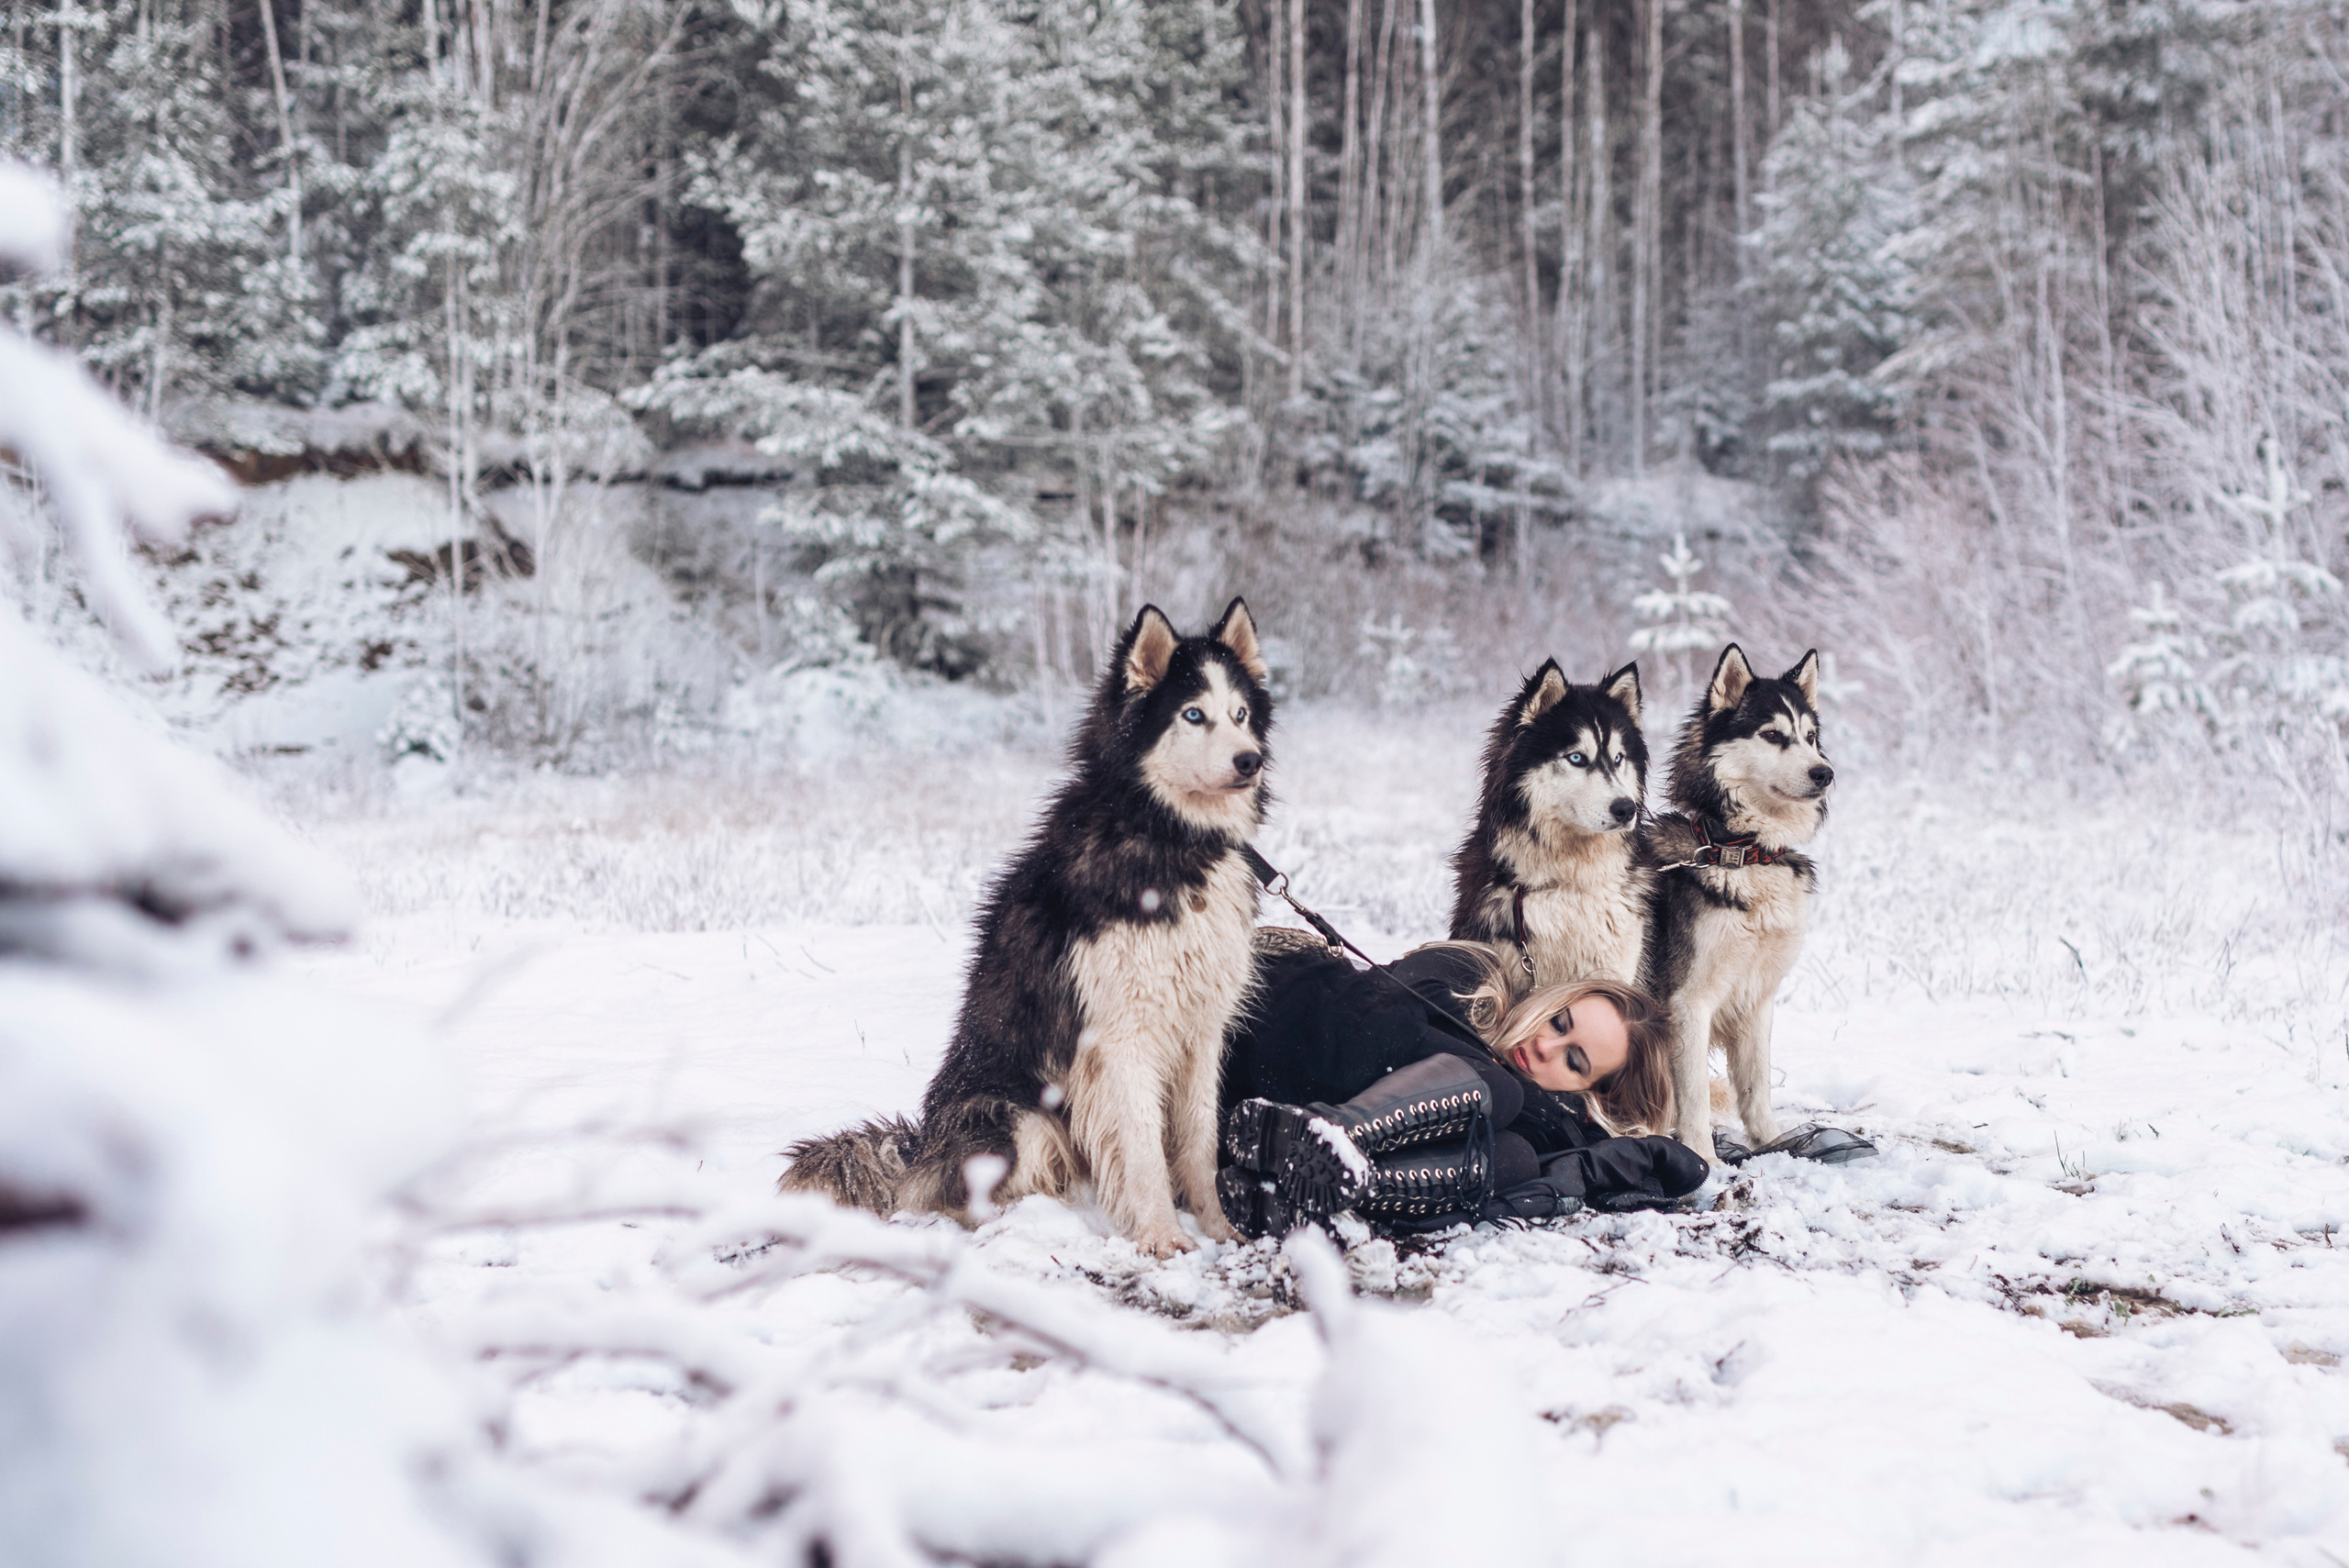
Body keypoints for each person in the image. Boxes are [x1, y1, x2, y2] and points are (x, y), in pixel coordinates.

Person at [1217, 930, 1709, 1239]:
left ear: (1590, 1094)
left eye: (1574, 1061)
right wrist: (1527, 1098)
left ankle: (1308, 1186)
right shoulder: (1475, 973)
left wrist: (1558, 1124)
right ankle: (1331, 1135)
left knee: (1516, 1155)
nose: (1544, 1047)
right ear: (1550, 999)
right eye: (1559, 1024)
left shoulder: (1523, 1126)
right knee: (1507, 1097)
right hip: (1267, 1031)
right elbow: (1384, 1011)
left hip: (1237, 1122)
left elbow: (1675, 1165)